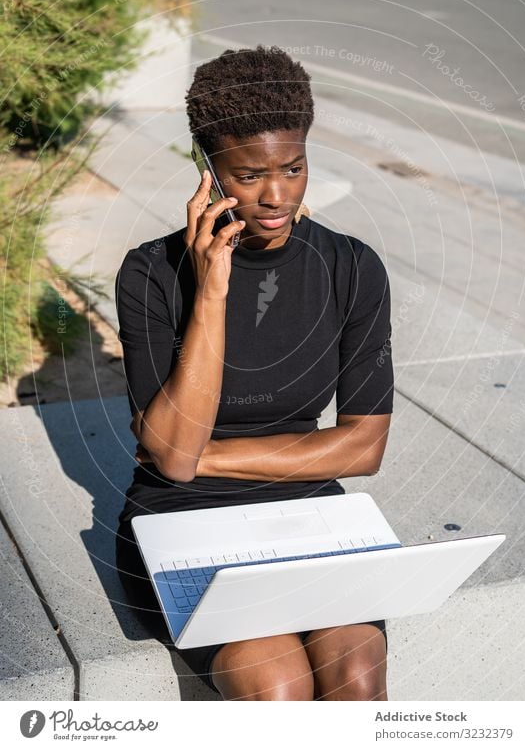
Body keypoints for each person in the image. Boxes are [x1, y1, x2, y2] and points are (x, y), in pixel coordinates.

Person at [114, 45, 394, 701]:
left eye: (292, 168)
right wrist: (212, 288)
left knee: (357, 675)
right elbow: (174, 470)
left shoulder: (352, 268)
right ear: (206, 171)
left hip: (307, 514)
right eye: (247, 175)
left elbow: (362, 446)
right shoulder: (151, 274)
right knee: (277, 687)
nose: (276, 195)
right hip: (178, 519)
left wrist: (199, 454)